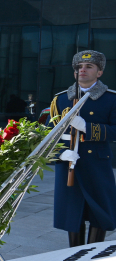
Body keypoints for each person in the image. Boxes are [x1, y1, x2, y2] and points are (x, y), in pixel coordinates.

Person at [49, 50, 116, 247]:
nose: (83, 70)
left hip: (97, 164)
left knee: (99, 211)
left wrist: (87, 128)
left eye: (89, 67)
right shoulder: (60, 100)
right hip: (69, 163)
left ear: (100, 72)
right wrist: (61, 154)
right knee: (72, 213)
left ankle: (92, 254)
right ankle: (73, 254)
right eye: (79, 67)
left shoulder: (111, 99)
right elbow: (48, 134)